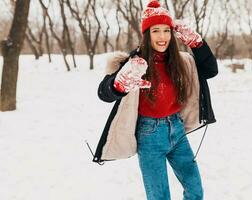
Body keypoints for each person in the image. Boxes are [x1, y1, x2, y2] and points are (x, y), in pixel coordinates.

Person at [92, 0, 218, 199]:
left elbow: (211, 71)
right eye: (156, 30)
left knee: (195, 190)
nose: (162, 37)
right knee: (159, 196)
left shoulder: (182, 61)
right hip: (149, 136)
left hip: (177, 130)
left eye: (166, 31)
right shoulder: (134, 65)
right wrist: (118, 85)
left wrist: (198, 44)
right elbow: (103, 93)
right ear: (147, 34)